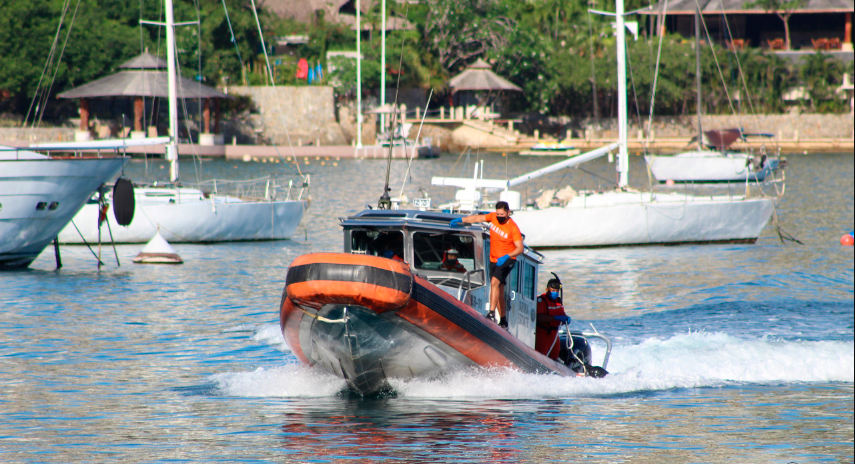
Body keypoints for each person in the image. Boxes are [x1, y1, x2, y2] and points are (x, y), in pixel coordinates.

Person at [450, 201, 523, 328]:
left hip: (507, 259)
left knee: (494, 282)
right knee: (499, 288)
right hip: (493, 259)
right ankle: (504, 320)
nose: (500, 216)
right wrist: (461, 219)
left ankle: (491, 313)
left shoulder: (513, 228)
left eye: (502, 214)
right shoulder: (493, 217)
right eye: (498, 213)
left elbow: (520, 248)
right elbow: (477, 218)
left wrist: (507, 256)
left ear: (508, 213)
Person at [535, 278, 570, 360]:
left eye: (557, 291)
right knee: (542, 356)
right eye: (553, 290)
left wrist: (565, 319)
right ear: (547, 289)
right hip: (543, 334)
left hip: (554, 335)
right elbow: (539, 317)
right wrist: (555, 318)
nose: (555, 293)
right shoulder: (541, 300)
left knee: (554, 356)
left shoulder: (558, 301)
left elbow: (562, 314)